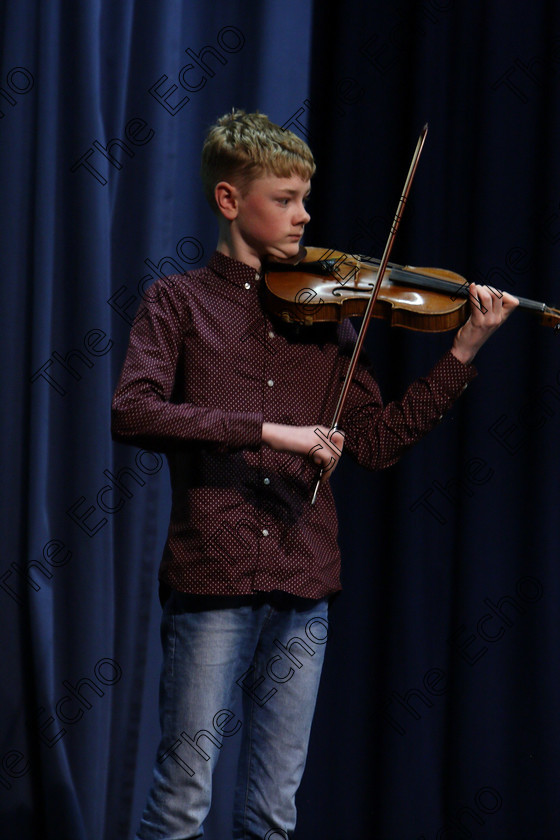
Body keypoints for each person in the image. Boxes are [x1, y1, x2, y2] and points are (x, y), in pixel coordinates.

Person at [111, 110, 518, 840]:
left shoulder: (327, 315)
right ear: (231, 200)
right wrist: (271, 431)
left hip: (305, 585)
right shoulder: (177, 303)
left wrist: (462, 355)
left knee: (272, 814)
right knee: (181, 803)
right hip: (212, 578)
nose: (304, 215)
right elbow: (133, 412)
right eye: (285, 198)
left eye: (306, 197)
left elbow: (378, 442)